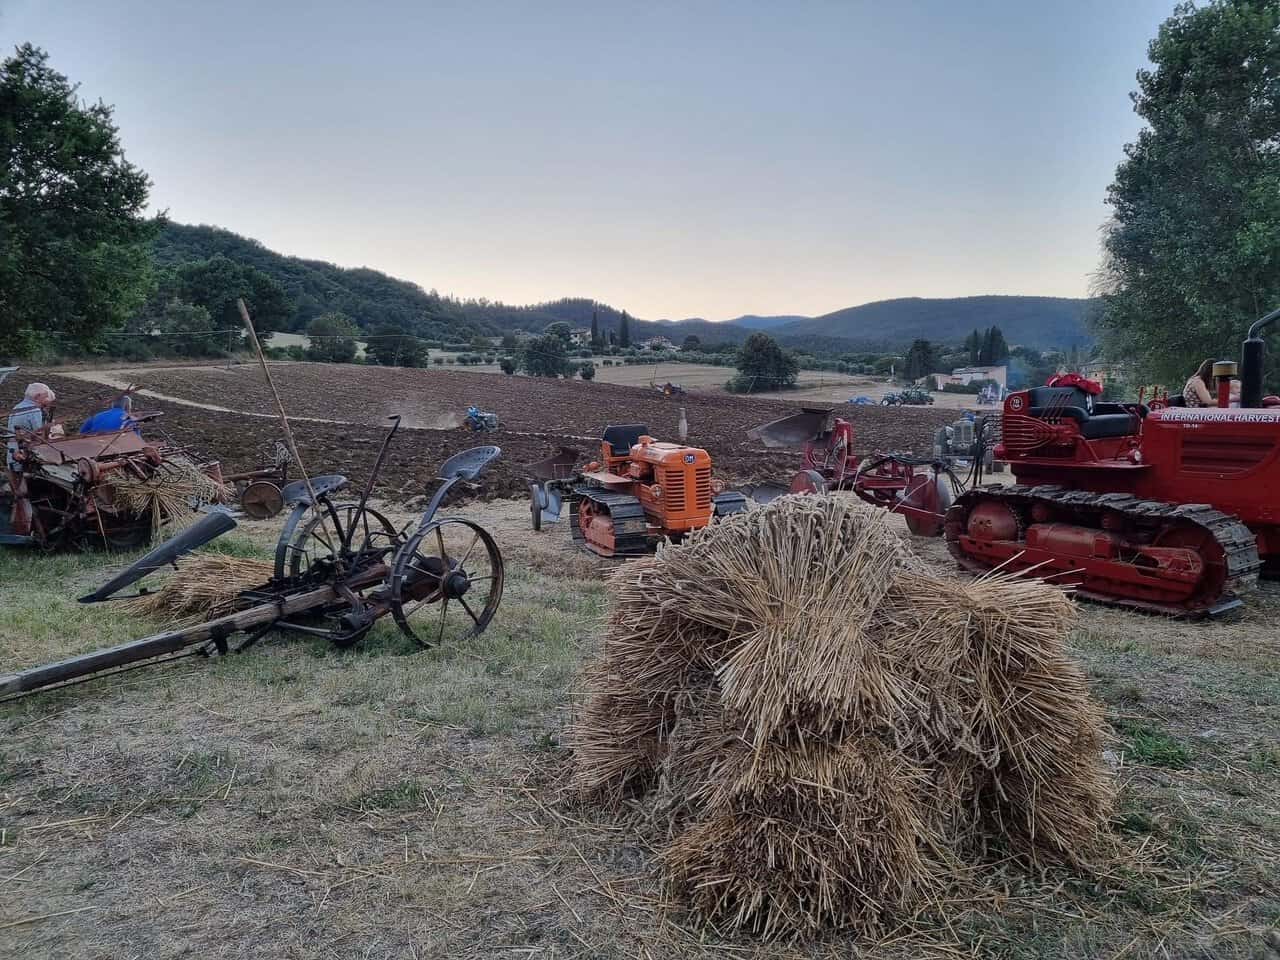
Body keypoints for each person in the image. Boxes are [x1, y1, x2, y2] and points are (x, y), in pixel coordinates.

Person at [6, 382, 56, 471]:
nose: (46, 399)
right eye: (45, 396)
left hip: (12, 450)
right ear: (37, 396)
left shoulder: (17, 407)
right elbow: (38, 436)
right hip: (23, 453)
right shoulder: (34, 411)